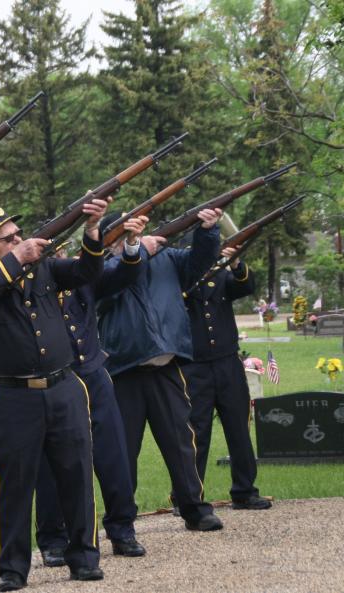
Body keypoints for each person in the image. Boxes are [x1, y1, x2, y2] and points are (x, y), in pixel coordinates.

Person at [0, 199, 109, 591]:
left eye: (18, 236)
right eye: (7, 239)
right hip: (14, 397)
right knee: (13, 485)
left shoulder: (43, 268)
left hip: (63, 387)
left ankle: (84, 557)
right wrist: (16, 259)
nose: (18, 241)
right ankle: (11, 569)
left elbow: (87, 271)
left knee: (76, 475)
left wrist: (92, 229)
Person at [96, 208, 225, 532]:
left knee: (182, 443)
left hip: (165, 365)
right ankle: (122, 521)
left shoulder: (166, 257)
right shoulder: (100, 267)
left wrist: (207, 231)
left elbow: (199, 265)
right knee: (124, 452)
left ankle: (194, 507)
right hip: (124, 369)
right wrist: (136, 252)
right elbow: (103, 288)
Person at [33, 214, 149, 568]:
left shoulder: (82, 277)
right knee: (52, 464)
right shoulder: (33, 282)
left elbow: (122, 275)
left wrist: (130, 246)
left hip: (93, 374)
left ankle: (122, 528)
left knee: (112, 454)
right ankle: (54, 537)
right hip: (57, 379)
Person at [180, 247, 271, 510]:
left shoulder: (220, 276)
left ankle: (245, 491)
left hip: (227, 363)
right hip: (194, 366)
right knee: (196, 433)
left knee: (238, 428)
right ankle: (188, 496)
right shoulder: (182, 279)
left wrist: (237, 262)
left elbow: (246, 286)